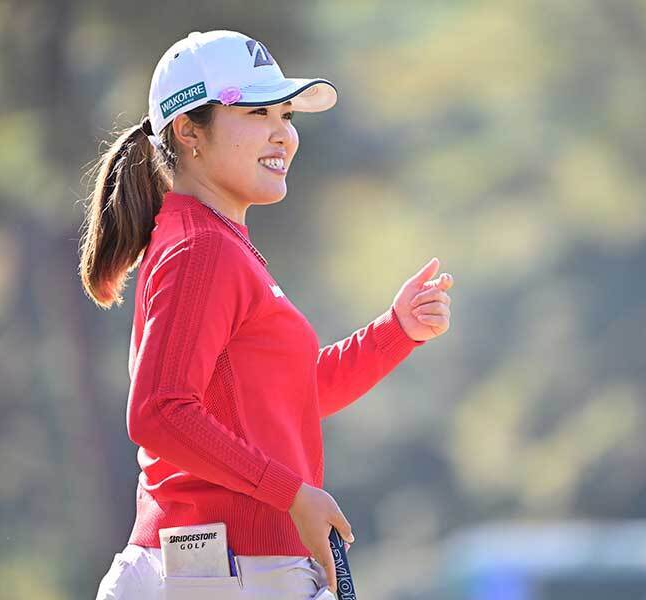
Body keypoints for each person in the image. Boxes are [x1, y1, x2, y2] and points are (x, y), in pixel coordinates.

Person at [80, 30, 454, 600]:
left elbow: (288, 398)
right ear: (188, 131)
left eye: (286, 113)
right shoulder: (201, 247)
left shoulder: (219, 244)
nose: (284, 133)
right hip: (217, 572)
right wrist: (291, 494)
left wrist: (395, 332)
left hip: (226, 571)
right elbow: (158, 411)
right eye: (258, 112)